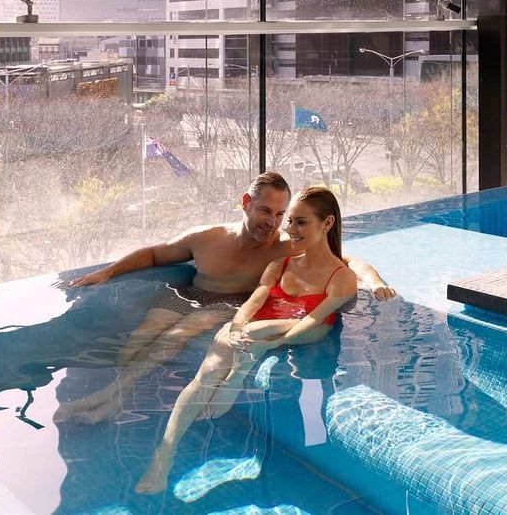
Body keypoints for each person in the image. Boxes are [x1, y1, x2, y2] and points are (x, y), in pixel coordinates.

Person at [57, 172, 393, 422]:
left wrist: (375, 282)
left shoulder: (285, 247)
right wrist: (110, 272)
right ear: (245, 203)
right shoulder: (208, 237)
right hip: (187, 295)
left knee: (177, 335)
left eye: (280, 215)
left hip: (230, 305)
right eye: (265, 211)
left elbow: (347, 260)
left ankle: (109, 397)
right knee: (140, 336)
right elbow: (155, 254)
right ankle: (116, 396)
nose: (273, 223)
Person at [136, 186, 357, 494]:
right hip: (262, 326)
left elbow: (312, 321)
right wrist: (237, 326)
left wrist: (269, 342)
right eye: (289, 221)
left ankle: (236, 377)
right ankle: (165, 453)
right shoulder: (279, 266)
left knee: (255, 334)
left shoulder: (342, 277)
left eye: (300, 222)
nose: (289, 230)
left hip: (306, 328)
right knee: (211, 364)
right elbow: (253, 303)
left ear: (327, 224)